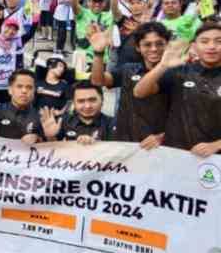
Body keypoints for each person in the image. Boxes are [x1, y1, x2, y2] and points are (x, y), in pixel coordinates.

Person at [133, 21, 221, 156]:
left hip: (213, 159)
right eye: (204, 41)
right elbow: (139, 92)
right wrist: (162, 65)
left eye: (218, 41)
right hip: (176, 153)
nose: (212, 47)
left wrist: (216, 145)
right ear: (194, 46)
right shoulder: (180, 72)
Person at [90, 22, 170, 148]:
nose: (154, 49)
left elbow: (184, 115)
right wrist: (98, 53)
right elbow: (98, 81)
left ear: (167, 45)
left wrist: (164, 136)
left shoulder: (178, 73)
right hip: (125, 141)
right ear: (138, 47)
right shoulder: (128, 69)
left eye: (159, 44)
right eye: (147, 44)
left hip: (158, 145)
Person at [41, 81, 114, 144]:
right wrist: (51, 137)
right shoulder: (62, 122)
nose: (87, 106)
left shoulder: (113, 123)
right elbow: (53, 153)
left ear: (102, 100)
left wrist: (96, 145)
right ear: (73, 103)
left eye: (92, 100)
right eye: (81, 101)